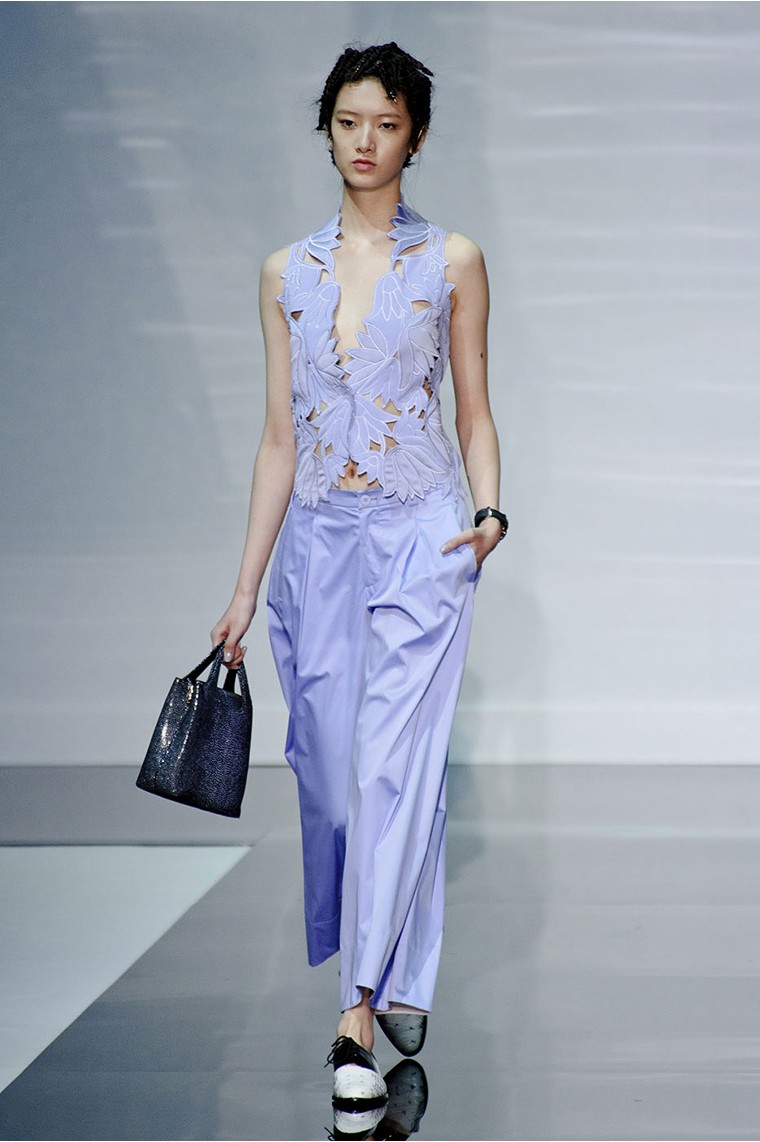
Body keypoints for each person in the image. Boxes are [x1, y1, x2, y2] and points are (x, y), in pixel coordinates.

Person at [211, 41, 505, 1105]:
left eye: (385, 123)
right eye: (348, 122)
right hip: (317, 549)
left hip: (424, 537)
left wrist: (487, 511)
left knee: (392, 770)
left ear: (414, 136)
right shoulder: (283, 273)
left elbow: (473, 407)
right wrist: (245, 586)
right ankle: (403, 967)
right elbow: (277, 439)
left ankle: (356, 1014)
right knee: (333, 782)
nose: (365, 141)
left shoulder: (452, 260)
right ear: (327, 130)